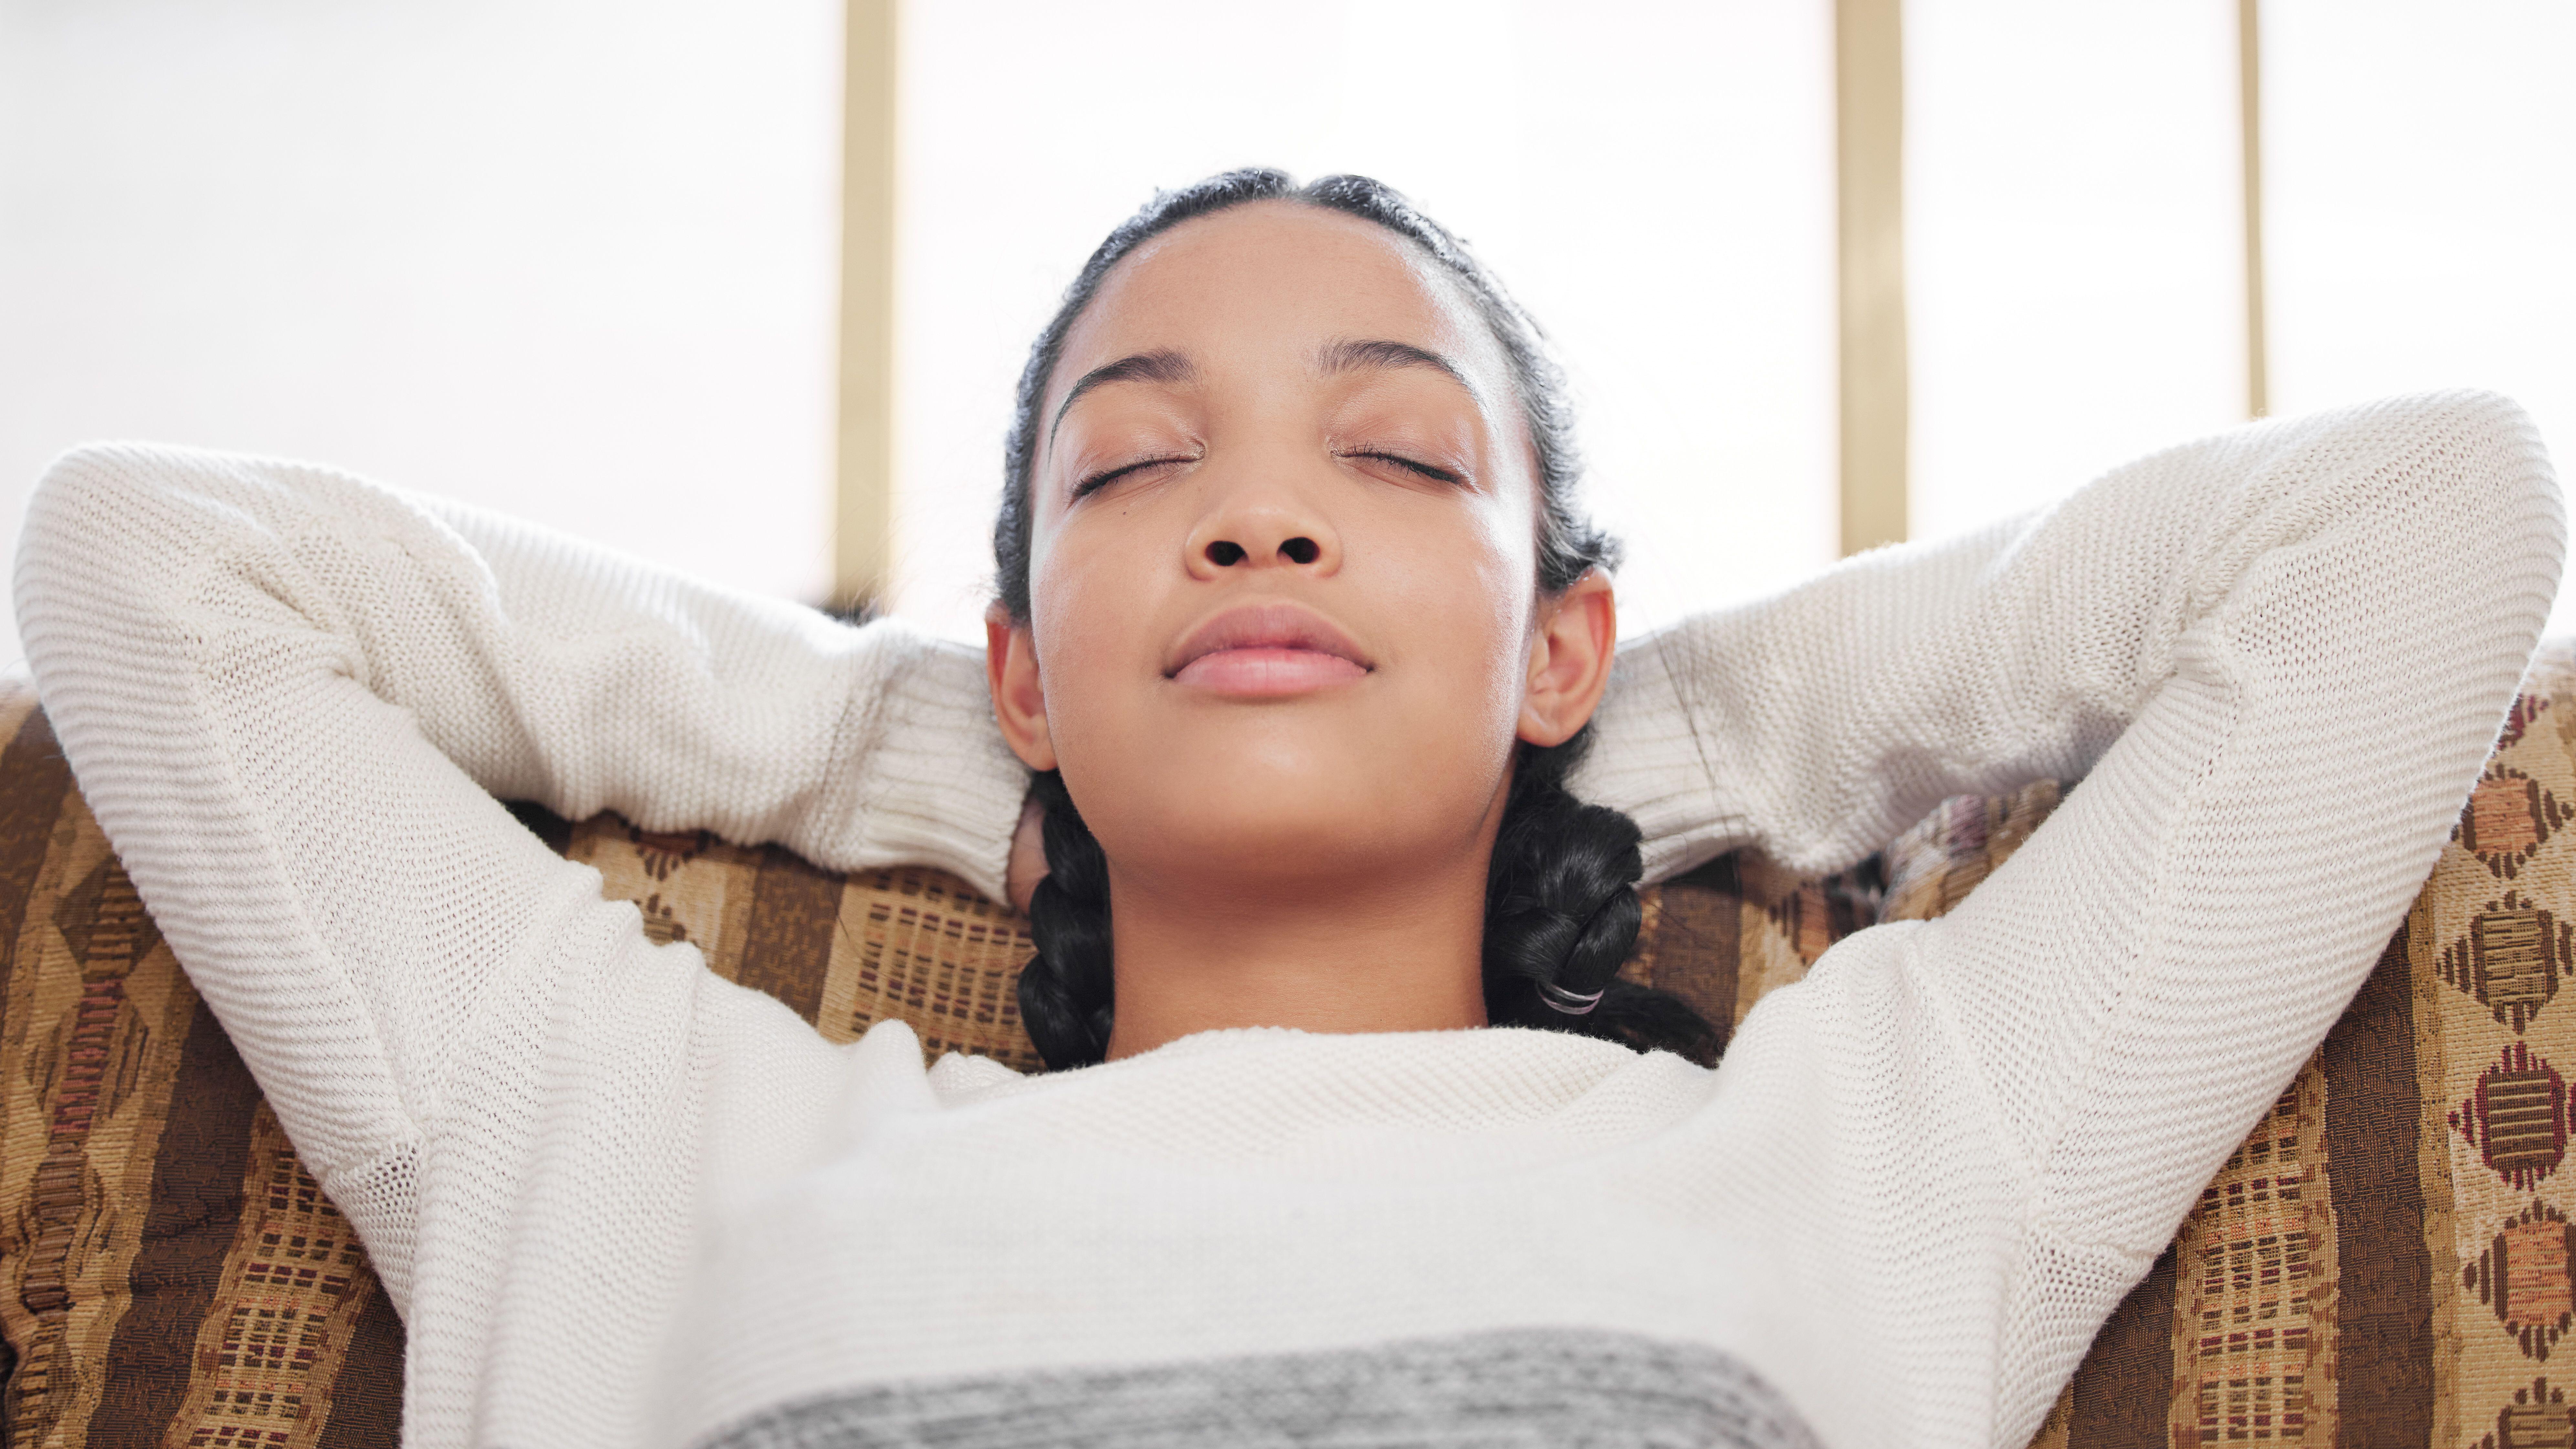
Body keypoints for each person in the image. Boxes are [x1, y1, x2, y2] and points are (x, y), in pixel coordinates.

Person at [12, 168, 2559, 1449]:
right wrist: (952, 758)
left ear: (1561, 626)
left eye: (1391, 454)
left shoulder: (1883, 1146)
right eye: (1134, 474)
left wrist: (1604, 739)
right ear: (1014, 655)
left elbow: (2419, 516)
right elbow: (152, 566)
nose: (1255, 517)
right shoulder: (628, 1140)